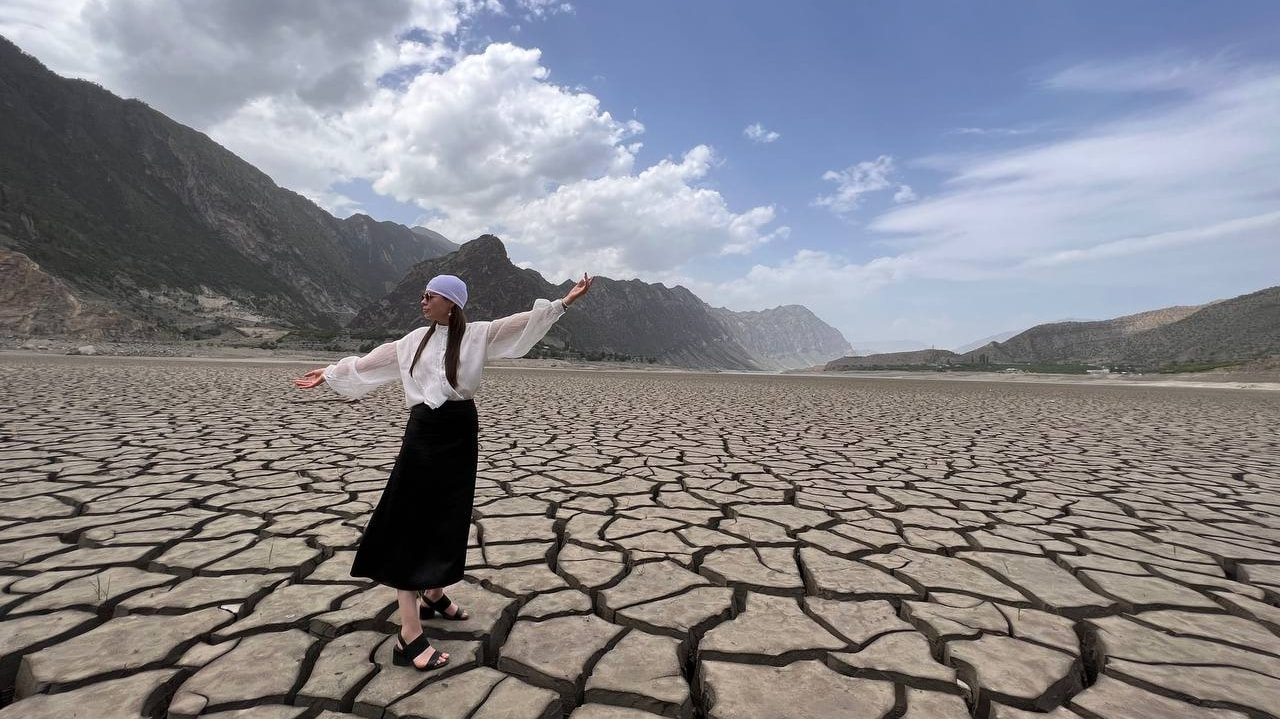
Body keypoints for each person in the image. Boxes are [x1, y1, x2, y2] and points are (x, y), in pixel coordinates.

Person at [293, 272, 593, 671]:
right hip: (423, 435)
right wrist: (328, 373)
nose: (423, 301)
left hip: (459, 431)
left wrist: (564, 302)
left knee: (449, 515)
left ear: (451, 302)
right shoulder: (410, 343)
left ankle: (433, 594)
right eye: (423, 295)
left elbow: (522, 323)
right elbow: (368, 365)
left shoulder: (479, 335)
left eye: (430, 296)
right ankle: (409, 635)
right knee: (411, 522)